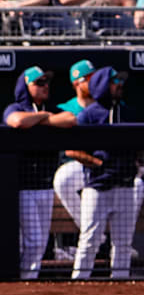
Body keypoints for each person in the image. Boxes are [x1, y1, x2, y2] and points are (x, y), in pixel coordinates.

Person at [4, 66, 77, 279]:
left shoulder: (50, 107)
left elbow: (70, 119)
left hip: (45, 186)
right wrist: (45, 118)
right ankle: (24, 279)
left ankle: (30, 278)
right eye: (39, 83)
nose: (45, 86)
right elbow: (16, 121)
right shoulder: (15, 107)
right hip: (23, 188)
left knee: (41, 240)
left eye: (46, 82)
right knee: (32, 240)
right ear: (26, 86)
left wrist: (41, 116)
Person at [69, 67, 138, 279]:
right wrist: (97, 163)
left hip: (125, 185)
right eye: (114, 81)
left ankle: (120, 283)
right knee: (89, 239)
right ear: (102, 85)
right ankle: (78, 283)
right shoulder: (88, 115)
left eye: (120, 81)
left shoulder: (128, 112)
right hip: (97, 187)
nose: (119, 85)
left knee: (123, 242)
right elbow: (72, 149)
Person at [53, 60, 96, 233]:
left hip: (107, 165)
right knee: (64, 179)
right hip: (79, 165)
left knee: (137, 184)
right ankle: (90, 232)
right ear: (77, 83)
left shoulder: (108, 106)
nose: (94, 82)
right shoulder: (65, 109)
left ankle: (121, 243)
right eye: (89, 78)